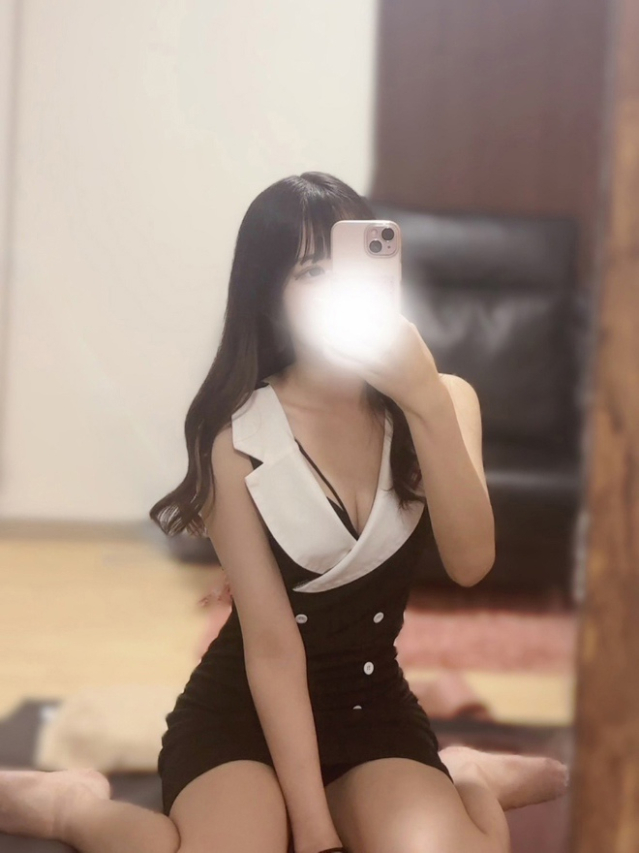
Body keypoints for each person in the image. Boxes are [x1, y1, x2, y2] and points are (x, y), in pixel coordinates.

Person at [0, 172, 569, 853]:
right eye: (310, 272)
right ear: (270, 298)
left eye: (348, 265)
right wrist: (315, 831)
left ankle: (468, 775)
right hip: (240, 716)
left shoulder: (445, 399)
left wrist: (423, 400)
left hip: (370, 708)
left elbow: (471, 563)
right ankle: (70, 809)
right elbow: (271, 650)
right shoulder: (237, 437)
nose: (336, 289)